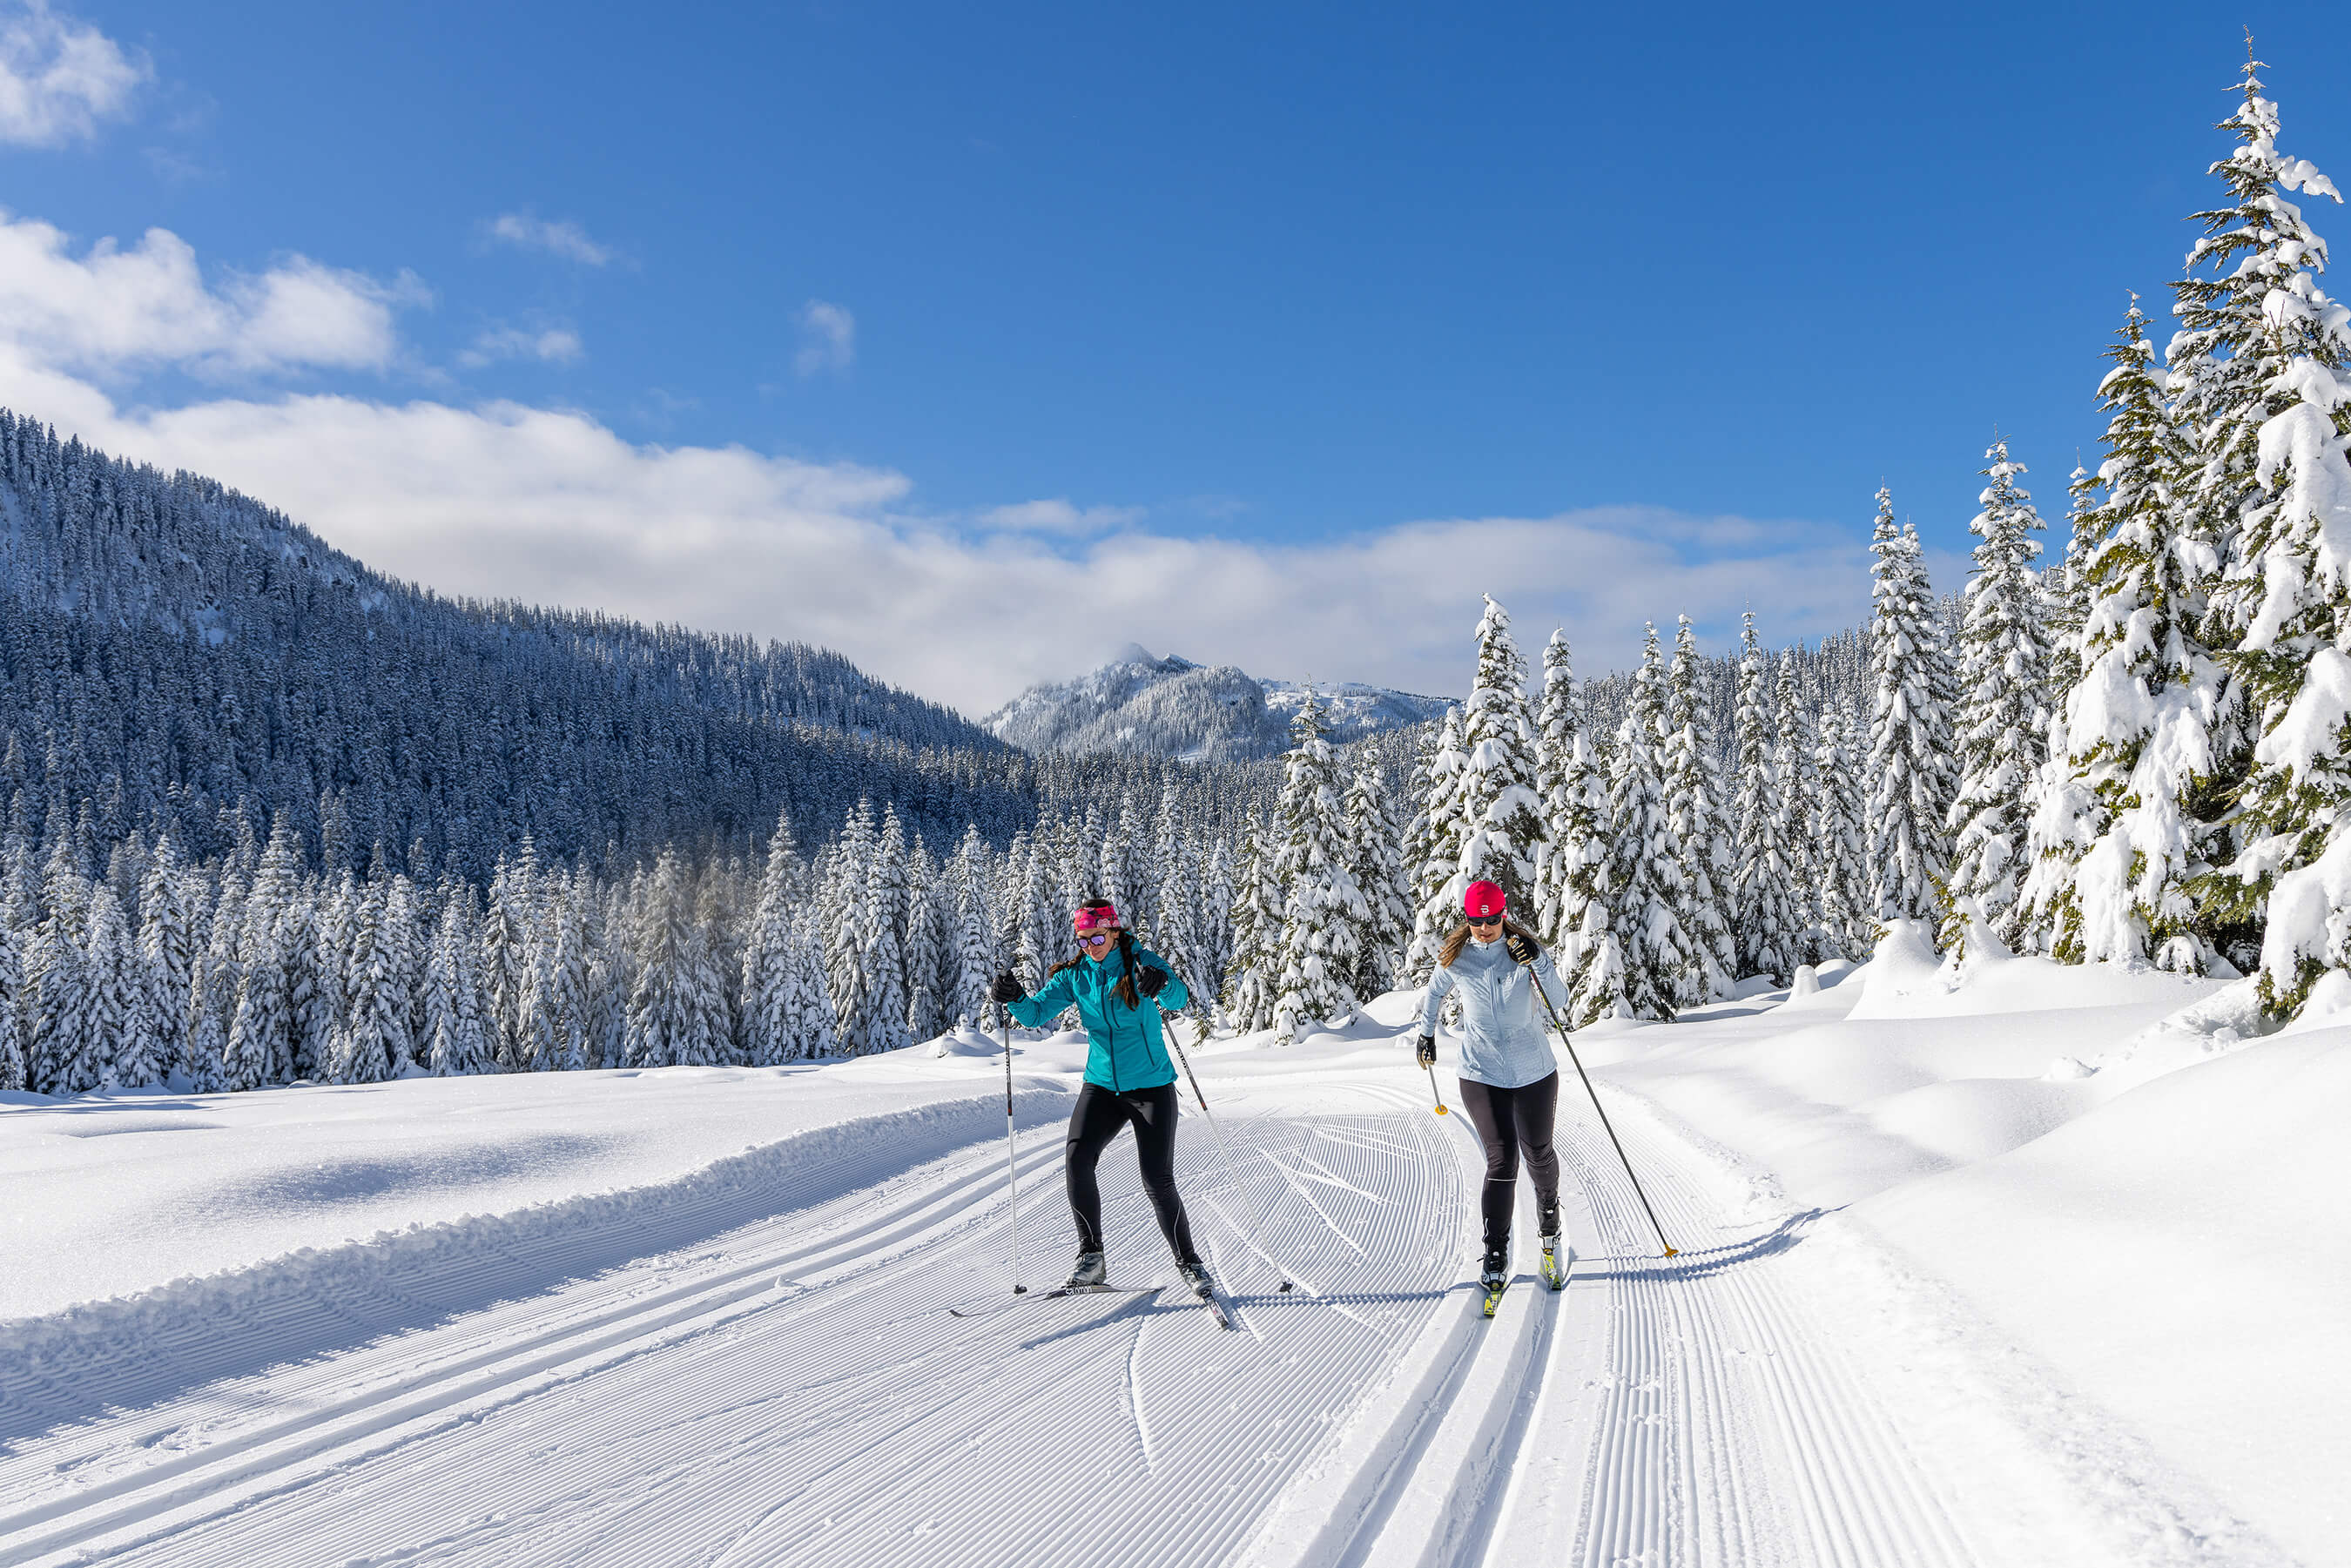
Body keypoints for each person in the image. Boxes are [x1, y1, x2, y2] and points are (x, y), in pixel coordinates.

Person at [990, 898, 1211, 1297]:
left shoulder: (1141, 963)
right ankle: (1092, 1258)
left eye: (1097, 936)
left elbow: (1178, 998)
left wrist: (1162, 984)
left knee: (1157, 1179)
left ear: (1114, 931)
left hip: (1150, 1087)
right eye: (1083, 938)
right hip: (1101, 1085)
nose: (1090, 945)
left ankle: (1190, 1263)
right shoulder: (1077, 975)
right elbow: (1037, 1014)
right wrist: (1014, 996)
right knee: (1077, 1157)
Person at [1416, 878, 1568, 1298]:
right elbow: (1432, 996)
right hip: (1481, 1072)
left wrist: (1538, 961)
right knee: (1502, 1160)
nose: (1485, 928)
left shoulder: (1523, 951)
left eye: (1492, 920)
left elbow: (1561, 999)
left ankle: (1549, 1213)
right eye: (1476, 921)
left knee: (1537, 1151)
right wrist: (1426, 1034)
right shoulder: (1457, 958)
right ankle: (1496, 1250)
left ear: (1504, 915)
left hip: (1534, 1069)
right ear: (1467, 920)